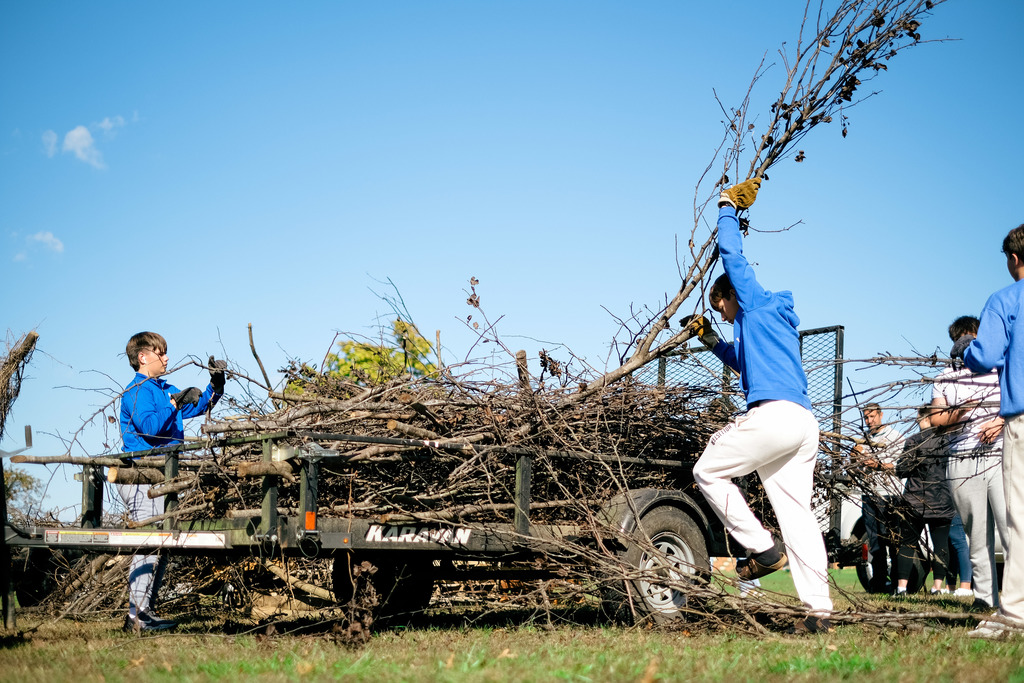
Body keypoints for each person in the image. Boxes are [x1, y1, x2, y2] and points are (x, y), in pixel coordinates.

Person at [687, 177, 833, 634]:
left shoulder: (754, 304)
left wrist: (727, 207)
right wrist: (710, 339)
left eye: (721, 308)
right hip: (803, 422)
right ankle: (818, 612)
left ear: (733, 296)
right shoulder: (774, 322)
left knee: (707, 470)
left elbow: (733, 257)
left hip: (773, 416)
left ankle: (762, 549)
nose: (725, 316)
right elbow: (742, 363)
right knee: (798, 514)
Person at [118, 331, 226, 632]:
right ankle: (136, 617)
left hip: (163, 474)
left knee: (162, 543)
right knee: (148, 542)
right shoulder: (137, 391)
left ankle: (144, 612)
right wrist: (175, 403)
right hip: (141, 475)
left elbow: (200, 405)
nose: (166, 358)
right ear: (143, 357)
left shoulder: (164, 387)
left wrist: (215, 385)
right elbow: (151, 427)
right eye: (160, 352)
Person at [959, 223, 1024, 639]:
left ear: (1014, 258)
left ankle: (1015, 614)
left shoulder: (1006, 298)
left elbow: (985, 356)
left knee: (1020, 519)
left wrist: (966, 345)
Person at [931, 315, 1007, 611]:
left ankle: (1017, 599)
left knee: (1011, 525)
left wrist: (1000, 421)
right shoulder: (946, 376)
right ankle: (985, 598)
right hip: (961, 459)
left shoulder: (1000, 367)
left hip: (1000, 454)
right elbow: (937, 420)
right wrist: (961, 411)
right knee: (976, 533)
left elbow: (1016, 402)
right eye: (962, 341)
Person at [892, 405, 955, 597]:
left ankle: (902, 587)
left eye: (918, 419)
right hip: (942, 499)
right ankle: (937, 586)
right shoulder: (948, 441)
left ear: (925, 418)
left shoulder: (914, 441)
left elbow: (902, 470)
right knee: (941, 544)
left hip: (914, 500)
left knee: (907, 544)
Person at [852, 403, 905, 593]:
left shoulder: (895, 437)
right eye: (866, 418)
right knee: (874, 542)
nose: (869, 421)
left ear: (881, 415)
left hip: (890, 494)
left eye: (872, 416)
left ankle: (898, 582)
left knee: (891, 540)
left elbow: (900, 465)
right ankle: (879, 582)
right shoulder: (863, 440)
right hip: (869, 495)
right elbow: (856, 471)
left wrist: (877, 465)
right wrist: (854, 459)